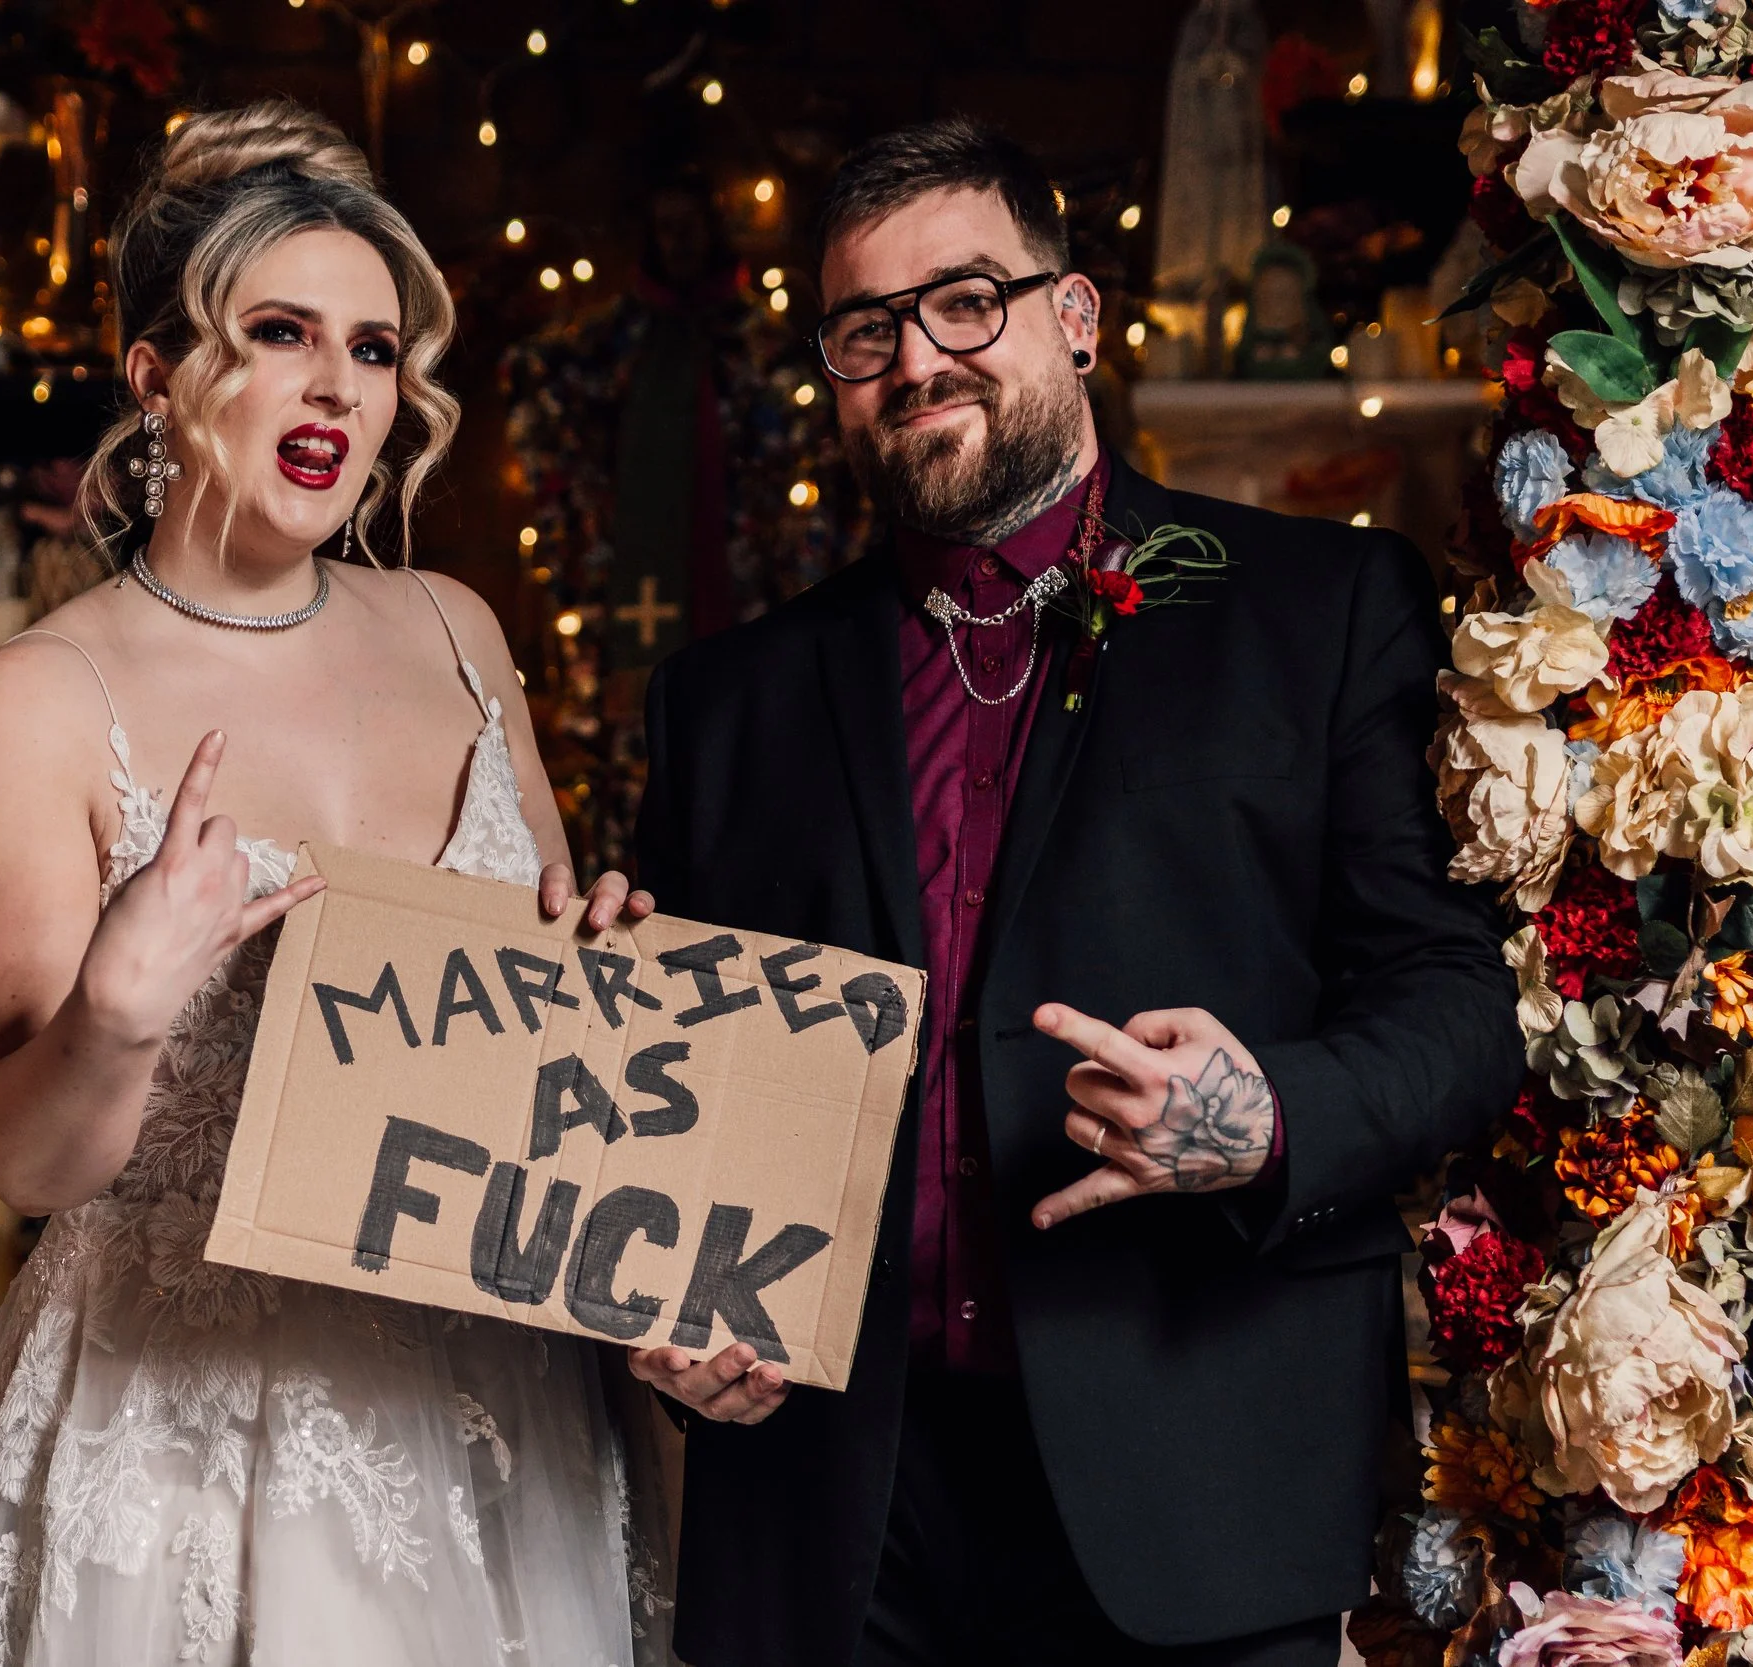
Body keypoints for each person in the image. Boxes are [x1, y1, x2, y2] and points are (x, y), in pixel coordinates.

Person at [628, 117, 1519, 1667]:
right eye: (865, 329)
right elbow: (677, 1083)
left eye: (966, 300)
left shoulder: (1323, 611)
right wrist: (660, 1295)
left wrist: (1268, 1115)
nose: (918, 361)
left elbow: (1458, 1014)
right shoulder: (728, 701)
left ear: (1076, 316)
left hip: (1198, 1491)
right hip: (834, 1521)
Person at [0, 100, 667, 1667]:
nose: (339, 384)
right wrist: (118, 1010)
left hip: (496, 1398)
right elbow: (25, 1162)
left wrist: (594, 975)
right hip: (192, 1426)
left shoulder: (460, 631)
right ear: (159, 377)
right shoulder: (36, 702)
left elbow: (532, 1027)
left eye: (377, 349)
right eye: (279, 332)